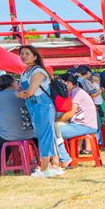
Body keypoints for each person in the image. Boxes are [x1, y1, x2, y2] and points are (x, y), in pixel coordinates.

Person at [14, 45, 65, 177]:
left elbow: (28, 92)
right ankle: (54, 165)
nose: (23, 56)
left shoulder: (38, 72)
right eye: (22, 54)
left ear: (35, 56)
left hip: (42, 105)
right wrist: (21, 93)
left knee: (44, 136)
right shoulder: (25, 72)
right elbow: (20, 91)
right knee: (46, 134)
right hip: (34, 106)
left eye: (27, 53)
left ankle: (44, 168)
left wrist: (20, 93)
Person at [0, 74, 35, 164]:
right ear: (12, 83)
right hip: (30, 133)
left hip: (7, 135)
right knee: (4, 136)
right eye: (16, 82)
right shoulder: (23, 94)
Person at [54, 72, 99, 166]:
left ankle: (64, 159)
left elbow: (70, 114)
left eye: (62, 82)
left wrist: (55, 120)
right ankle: (61, 158)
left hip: (85, 125)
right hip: (81, 124)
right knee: (53, 129)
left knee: (51, 131)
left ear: (69, 83)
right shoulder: (73, 92)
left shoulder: (76, 92)